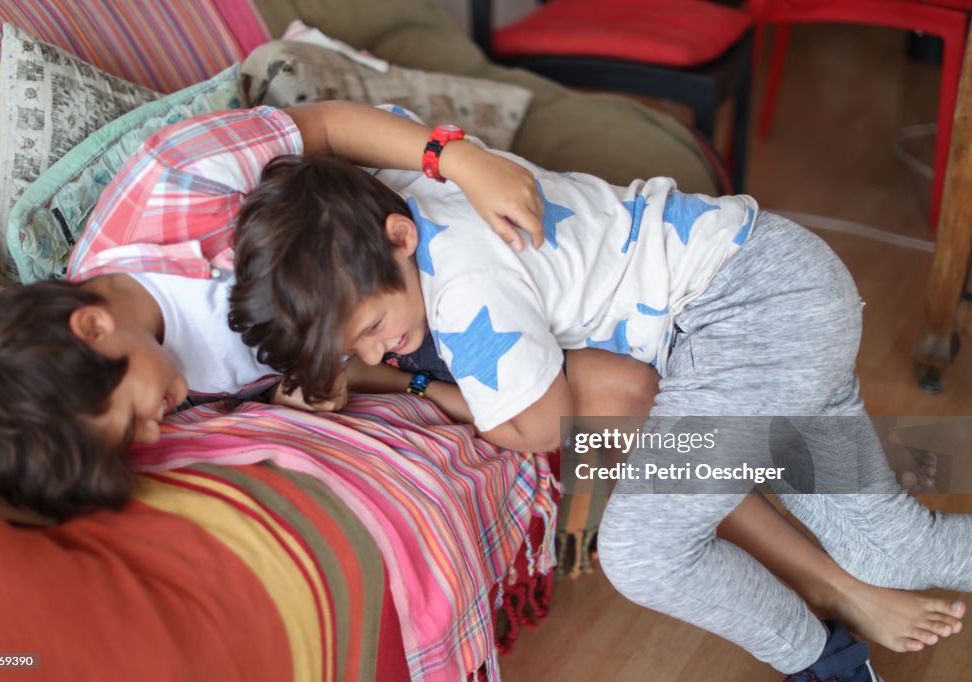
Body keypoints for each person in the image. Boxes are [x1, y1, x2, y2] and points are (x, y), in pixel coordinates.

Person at [230, 150, 971, 681]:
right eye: (357, 345)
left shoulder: (463, 293)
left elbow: (542, 427)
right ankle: (846, 621)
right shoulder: (400, 189)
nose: (380, 349)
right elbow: (328, 133)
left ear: (400, 240)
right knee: (893, 552)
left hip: (748, 314)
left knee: (644, 553)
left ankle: (820, 662)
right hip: (783, 291)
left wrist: (378, 379)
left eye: (372, 326)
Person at [0, 101, 549, 518]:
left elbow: (329, 127)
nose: (155, 432)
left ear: (93, 327)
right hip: (402, 335)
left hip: (422, 250)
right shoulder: (160, 375)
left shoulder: (174, 184)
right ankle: (640, 468)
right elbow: (325, 357)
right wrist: (311, 389)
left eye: (134, 419)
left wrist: (458, 159)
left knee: (561, 416)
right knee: (596, 407)